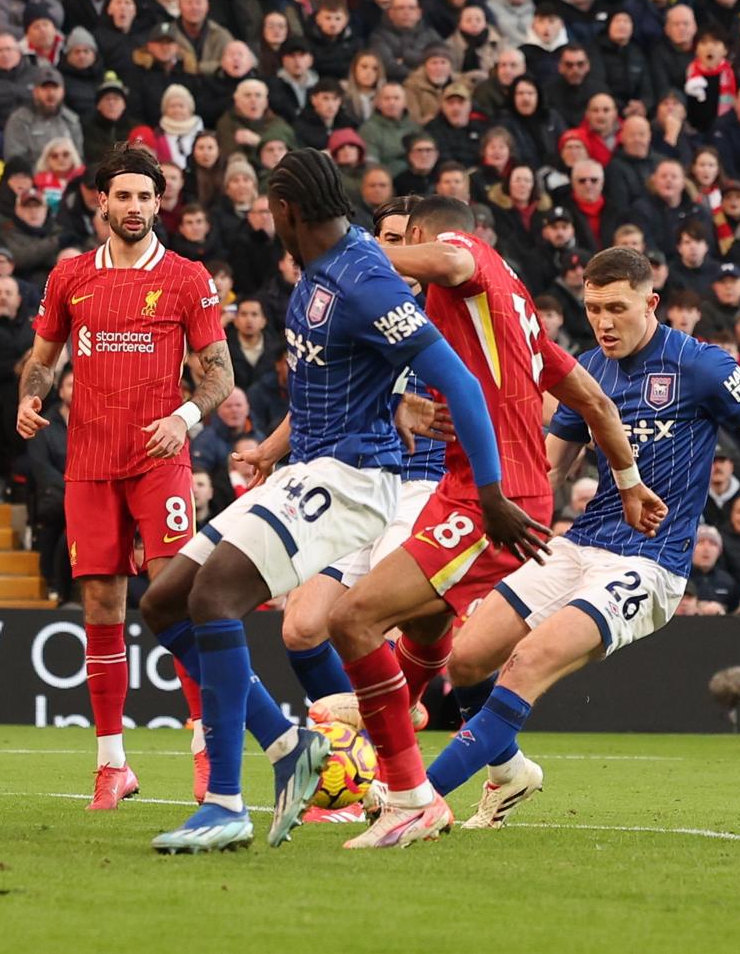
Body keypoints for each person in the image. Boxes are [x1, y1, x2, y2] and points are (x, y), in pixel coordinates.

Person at [421, 247, 740, 827]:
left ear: (651, 303)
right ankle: (509, 773)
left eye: (616, 307)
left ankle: (417, 797)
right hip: (580, 543)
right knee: (467, 659)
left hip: (650, 563)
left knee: (527, 662)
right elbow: (549, 466)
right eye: (593, 308)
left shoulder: (700, 365)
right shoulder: (588, 369)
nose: (603, 321)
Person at [136, 149, 520, 855]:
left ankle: (225, 803)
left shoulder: (369, 278)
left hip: (352, 480)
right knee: (163, 600)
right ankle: (289, 746)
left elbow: (460, 381)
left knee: (217, 596)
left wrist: (491, 490)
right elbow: (353, 380)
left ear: (286, 211)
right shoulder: (319, 273)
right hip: (307, 470)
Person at [325, 194, 659, 850]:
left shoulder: (468, 257)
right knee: (428, 628)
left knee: (351, 617)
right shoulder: (517, 306)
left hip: (488, 498)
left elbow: (449, 257)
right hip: (486, 490)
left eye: (403, 240)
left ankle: (406, 792)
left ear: (423, 233)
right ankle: (443, 744)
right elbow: (591, 397)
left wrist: (342, 251)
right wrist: (629, 481)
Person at [15, 143, 234, 810]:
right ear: (101, 201)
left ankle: (205, 749)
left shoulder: (189, 278)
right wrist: (32, 394)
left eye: (146, 196)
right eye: (124, 195)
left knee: (178, 598)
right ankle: (112, 762)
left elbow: (218, 375)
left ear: (159, 202)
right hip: (88, 463)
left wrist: (187, 417)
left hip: (159, 460)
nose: (135, 207)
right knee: (102, 608)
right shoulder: (69, 277)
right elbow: (43, 357)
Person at [276, 196, 444, 744]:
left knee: (367, 619)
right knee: (302, 628)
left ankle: (365, 753)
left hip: (425, 485)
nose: (397, 252)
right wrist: (268, 450)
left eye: (407, 240)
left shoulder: (454, 309)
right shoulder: (357, 301)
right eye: (387, 239)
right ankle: (387, 721)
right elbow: (320, 394)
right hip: (362, 477)